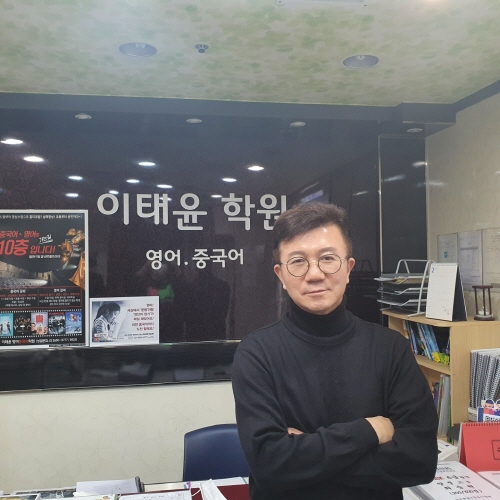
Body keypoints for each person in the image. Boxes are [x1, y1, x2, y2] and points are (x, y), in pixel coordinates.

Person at [232, 202, 438, 500]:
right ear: (280, 275)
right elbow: (270, 465)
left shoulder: (391, 348)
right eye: (298, 261)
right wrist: (369, 430)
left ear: (349, 268)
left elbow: (419, 461)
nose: (315, 274)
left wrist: (303, 461)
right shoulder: (256, 353)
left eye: (328, 258)